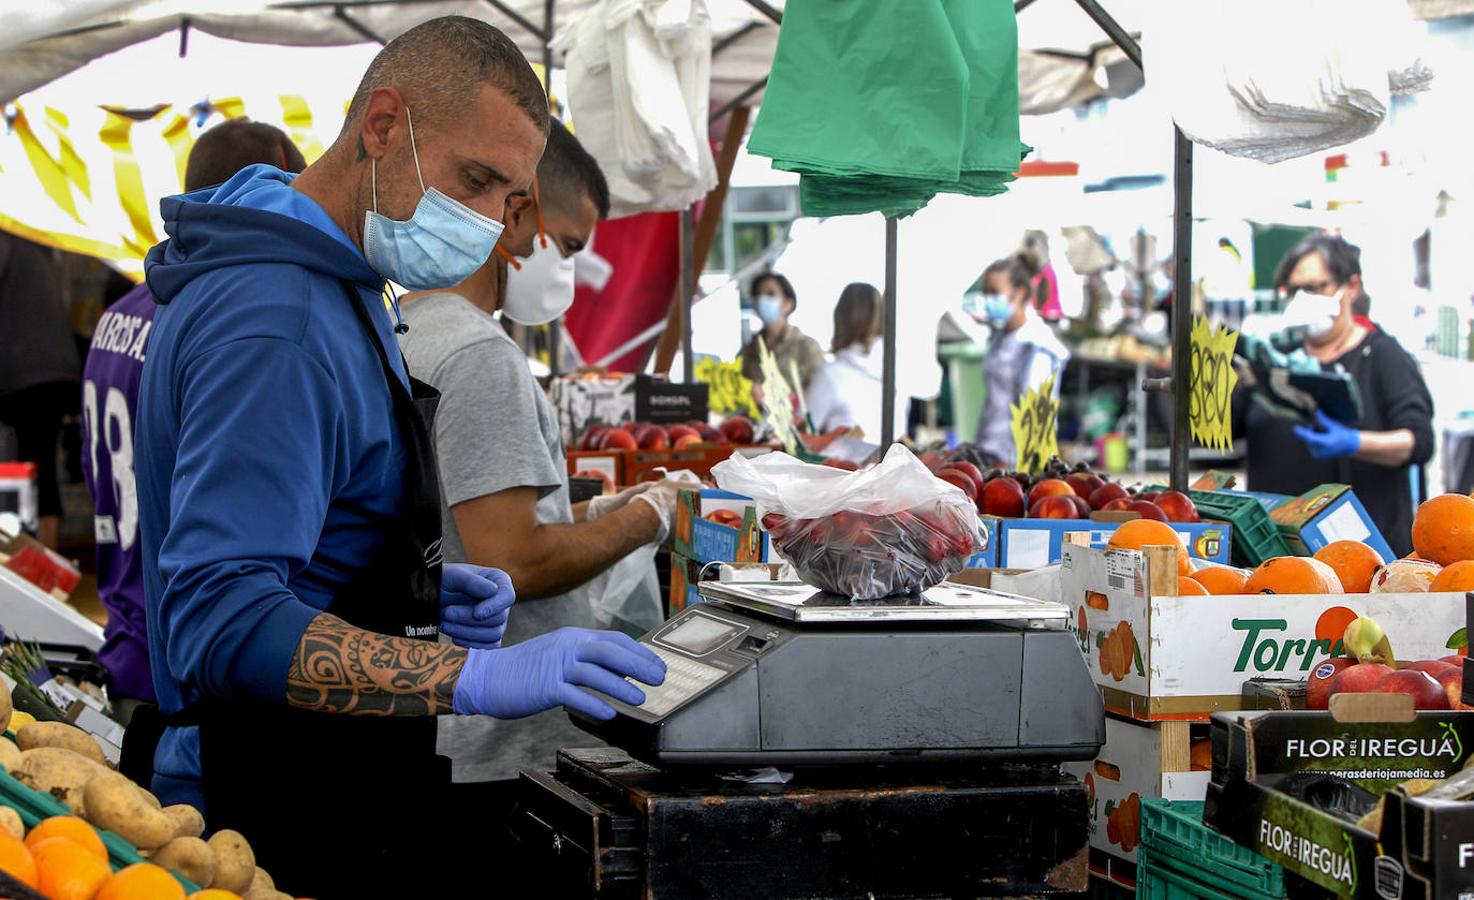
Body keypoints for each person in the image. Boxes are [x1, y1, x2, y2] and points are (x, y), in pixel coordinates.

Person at [133, 18, 665, 897]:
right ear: (382, 125)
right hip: (278, 799)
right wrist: (471, 673)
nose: (494, 222)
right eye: (477, 180)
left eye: (508, 196)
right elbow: (220, 620)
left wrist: (401, 597)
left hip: (341, 780)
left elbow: (303, 540)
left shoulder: (337, 286)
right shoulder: (281, 319)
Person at [399, 121, 682, 794]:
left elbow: (459, 515)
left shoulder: (404, 327)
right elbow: (511, 560)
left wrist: (586, 509)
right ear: (517, 212)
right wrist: (645, 518)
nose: (567, 266)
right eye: (570, 244)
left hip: (436, 720)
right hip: (494, 746)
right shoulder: (480, 356)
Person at [81, 121, 308, 742]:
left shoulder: (123, 312)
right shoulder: (217, 320)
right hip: (184, 660)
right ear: (278, 171)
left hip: (126, 627)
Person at [1233, 234, 1433, 557]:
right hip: (1275, 551)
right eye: (1293, 290)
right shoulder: (1276, 361)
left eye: (1314, 288)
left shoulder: (1382, 356)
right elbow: (1228, 425)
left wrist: (1354, 442)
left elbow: (1419, 441)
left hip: (1363, 557)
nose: (1302, 299)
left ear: (1351, 287)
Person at [0, 233, 80, 549]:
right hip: (55, 365)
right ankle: (45, 559)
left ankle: (24, 562)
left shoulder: (7, 238)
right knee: (40, 460)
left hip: (24, 369)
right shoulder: (39, 240)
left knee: (23, 462)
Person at [969, 253, 1070, 468]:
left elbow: (1033, 415)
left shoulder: (1037, 347)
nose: (988, 300)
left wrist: (1009, 461)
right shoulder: (1001, 336)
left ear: (1020, 293)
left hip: (1016, 463)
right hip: (989, 454)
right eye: (985, 293)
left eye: (995, 293)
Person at [805, 282, 905, 442]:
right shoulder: (895, 371)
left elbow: (802, 438)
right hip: (890, 465)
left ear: (840, 318)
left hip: (844, 466)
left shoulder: (831, 375)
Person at [739, 272, 826, 397]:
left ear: (788, 304)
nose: (762, 300)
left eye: (770, 294)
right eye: (758, 294)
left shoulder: (807, 348)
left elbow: (822, 396)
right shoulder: (749, 350)